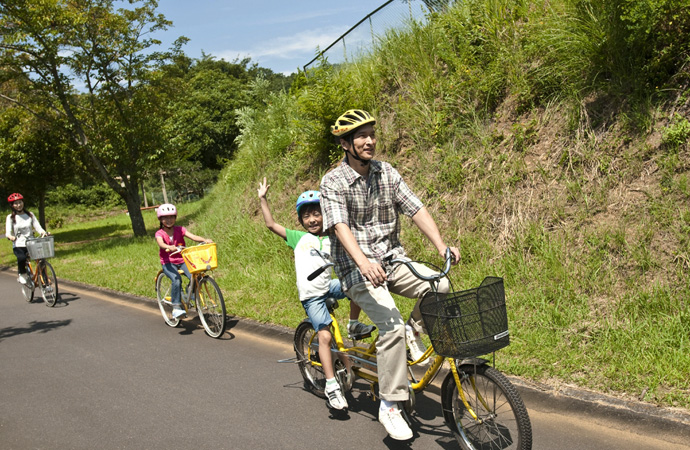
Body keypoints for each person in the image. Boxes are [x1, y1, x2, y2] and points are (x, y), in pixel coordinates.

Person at [320, 109, 460, 440]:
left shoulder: (386, 172)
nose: (369, 141)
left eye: (372, 134)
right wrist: (363, 262)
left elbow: (416, 208)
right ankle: (391, 403)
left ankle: (413, 332)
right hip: (357, 268)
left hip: (393, 259)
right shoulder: (333, 182)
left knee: (441, 284)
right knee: (391, 327)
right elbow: (340, 226)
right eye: (361, 136)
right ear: (345, 143)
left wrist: (441, 245)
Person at [257, 178, 375, 410]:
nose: (312, 219)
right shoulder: (299, 238)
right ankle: (331, 386)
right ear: (301, 220)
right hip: (312, 295)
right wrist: (263, 199)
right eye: (306, 216)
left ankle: (353, 324)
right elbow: (271, 225)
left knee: (355, 283)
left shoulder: (334, 237)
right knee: (325, 337)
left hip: (328, 286)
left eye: (317, 214)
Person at [154, 203, 212, 319]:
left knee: (196, 273)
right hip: (168, 262)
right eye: (165, 218)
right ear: (160, 219)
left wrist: (205, 240)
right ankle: (176, 307)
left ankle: (190, 290)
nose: (169, 220)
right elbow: (160, 243)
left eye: (171, 217)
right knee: (176, 279)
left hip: (182, 259)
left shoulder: (180, 229)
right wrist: (169, 247)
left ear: (175, 217)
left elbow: (194, 237)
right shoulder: (159, 233)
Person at [5, 193, 49, 285]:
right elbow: (8, 232)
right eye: (16, 203)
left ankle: (45, 279)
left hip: (31, 243)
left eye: (20, 202)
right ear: (12, 205)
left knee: (41, 259)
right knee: (22, 258)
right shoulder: (10, 217)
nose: (18, 205)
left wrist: (43, 233)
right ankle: (22, 274)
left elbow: (38, 227)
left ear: (23, 202)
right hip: (19, 244)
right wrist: (10, 237)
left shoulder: (30, 215)